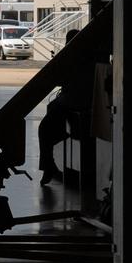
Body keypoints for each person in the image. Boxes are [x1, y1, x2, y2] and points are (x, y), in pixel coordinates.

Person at [38, 29, 92, 185]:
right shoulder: (88, 57)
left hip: (71, 103)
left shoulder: (72, 59)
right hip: (80, 104)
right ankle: (48, 165)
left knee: (44, 128)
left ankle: (48, 166)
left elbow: (59, 80)